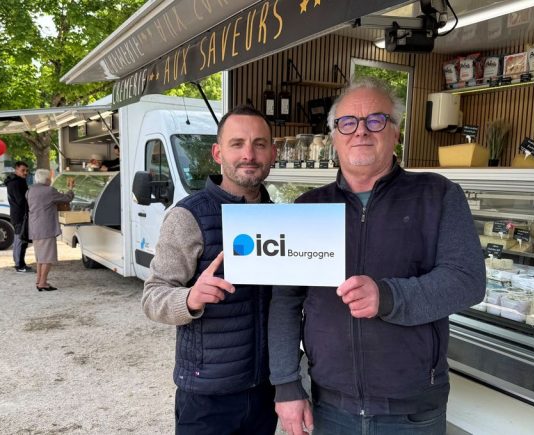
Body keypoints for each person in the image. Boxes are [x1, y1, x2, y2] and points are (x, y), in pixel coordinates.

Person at [269, 78, 486, 435]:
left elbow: (467, 281)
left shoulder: (437, 195)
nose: (361, 132)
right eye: (348, 123)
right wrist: (286, 385)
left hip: (413, 411)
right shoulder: (308, 208)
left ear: (396, 132)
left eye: (376, 120)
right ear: (335, 135)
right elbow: (285, 303)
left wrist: (387, 296)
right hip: (331, 405)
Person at [141, 105, 278, 435]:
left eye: (259, 144)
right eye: (237, 144)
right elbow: (152, 297)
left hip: (266, 389)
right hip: (207, 397)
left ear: (273, 153)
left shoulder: (281, 220)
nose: (249, 154)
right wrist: (189, 299)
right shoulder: (189, 216)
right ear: (218, 153)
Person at [26, 169, 74, 292]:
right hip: (46, 227)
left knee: (40, 257)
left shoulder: (30, 190)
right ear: (47, 179)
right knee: (47, 257)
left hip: (34, 227)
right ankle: (43, 283)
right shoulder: (49, 191)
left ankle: (39, 280)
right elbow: (66, 199)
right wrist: (71, 189)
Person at [5, 161, 32, 272]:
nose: (25, 173)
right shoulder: (17, 183)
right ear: (16, 169)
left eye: (26, 171)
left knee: (20, 239)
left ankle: (20, 263)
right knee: (20, 239)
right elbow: (21, 200)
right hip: (20, 215)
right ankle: (19, 265)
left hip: (17, 214)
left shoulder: (14, 181)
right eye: (23, 170)